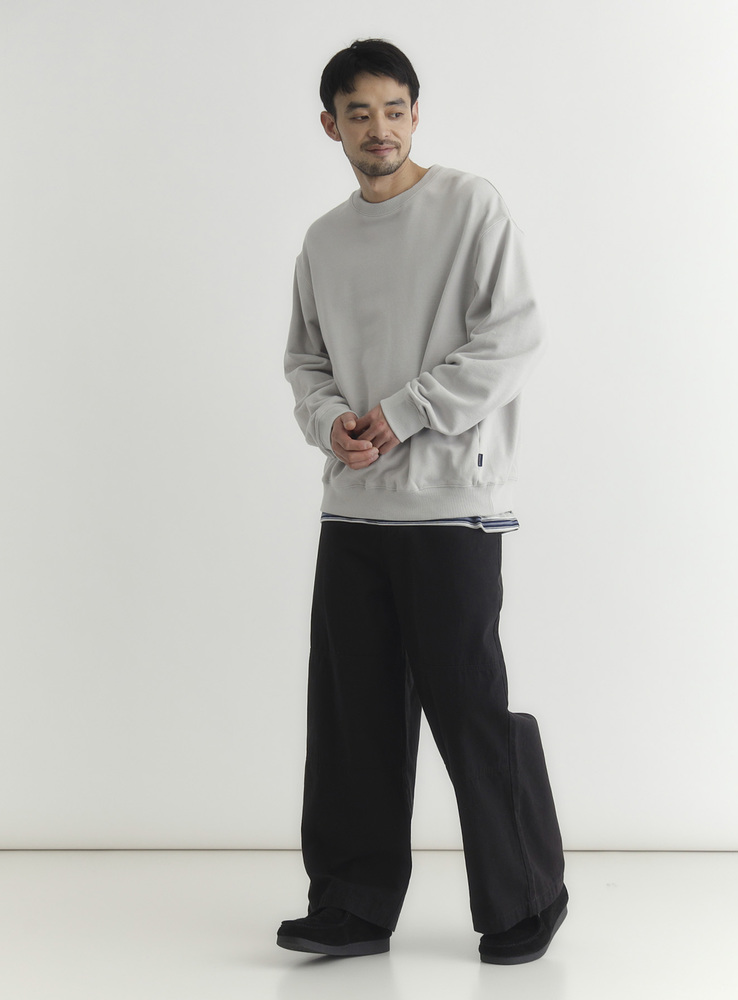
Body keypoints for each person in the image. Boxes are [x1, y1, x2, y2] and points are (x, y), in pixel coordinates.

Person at [277, 38, 567, 965]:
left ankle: (526, 896)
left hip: (450, 505)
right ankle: (352, 905)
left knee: (468, 707)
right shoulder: (324, 240)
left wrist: (402, 414)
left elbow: (511, 338)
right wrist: (330, 423)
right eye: (358, 113)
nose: (380, 128)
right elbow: (305, 362)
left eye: (394, 109)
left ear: (414, 115)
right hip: (353, 510)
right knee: (351, 718)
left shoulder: (468, 205)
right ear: (331, 125)